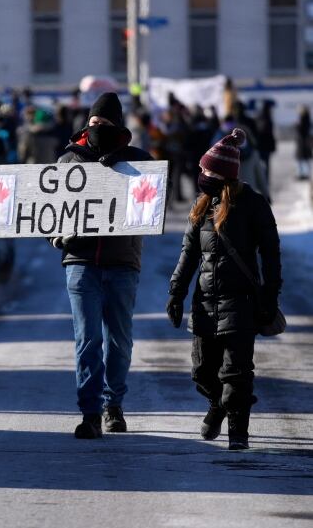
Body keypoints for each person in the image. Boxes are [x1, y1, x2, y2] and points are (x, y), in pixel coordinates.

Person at [166, 128, 281, 450]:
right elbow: (189, 253)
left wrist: (271, 295)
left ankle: (238, 433)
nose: (201, 174)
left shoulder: (253, 205)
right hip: (204, 302)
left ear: (221, 175)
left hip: (240, 302)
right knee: (202, 372)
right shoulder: (202, 206)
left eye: (205, 170)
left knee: (237, 374)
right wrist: (176, 293)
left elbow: (271, 253)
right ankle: (217, 405)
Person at [50, 92, 154, 439]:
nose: (98, 128)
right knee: (88, 339)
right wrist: (57, 237)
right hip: (80, 264)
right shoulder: (69, 162)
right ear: (87, 124)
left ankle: (114, 406)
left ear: (118, 126)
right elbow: (48, 212)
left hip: (123, 263)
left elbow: (150, 210)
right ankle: (90, 413)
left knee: (119, 342)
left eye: (105, 124)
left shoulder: (138, 163)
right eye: (94, 123)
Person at [254, 100, 276, 186]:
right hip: (264, 147)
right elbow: (269, 133)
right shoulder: (267, 118)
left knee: (262, 166)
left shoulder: (259, 117)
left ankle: (262, 182)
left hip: (261, 146)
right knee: (265, 166)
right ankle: (264, 182)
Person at [294, 105, 311, 180]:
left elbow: (300, 130)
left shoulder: (303, 119)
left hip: (302, 142)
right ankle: (303, 173)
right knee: (304, 159)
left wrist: (296, 125)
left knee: (302, 159)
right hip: (304, 142)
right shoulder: (307, 118)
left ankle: (302, 174)